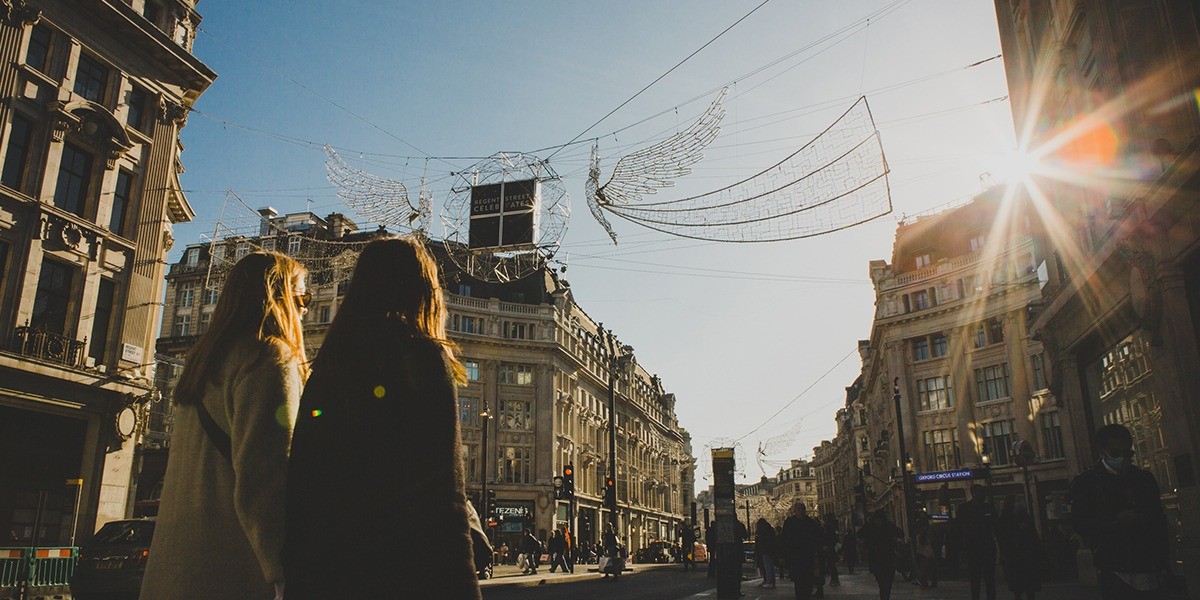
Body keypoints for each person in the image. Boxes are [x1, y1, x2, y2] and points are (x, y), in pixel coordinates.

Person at [282, 237, 480, 599]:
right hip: (401, 571)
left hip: (328, 571)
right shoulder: (422, 356)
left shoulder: (328, 364)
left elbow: (302, 478)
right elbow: (443, 491)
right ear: (423, 290)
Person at [141, 253, 309, 600]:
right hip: (233, 570)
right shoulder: (268, 357)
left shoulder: (203, 364)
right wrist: (282, 571)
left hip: (177, 570)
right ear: (279, 298)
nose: (305, 309)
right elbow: (266, 476)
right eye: (302, 298)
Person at [1069, 423, 1171, 599]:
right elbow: (1080, 523)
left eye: (1128, 453)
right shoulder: (1087, 484)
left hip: (1151, 565)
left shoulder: (1144, 479)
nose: (1123, 458)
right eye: (1116, 453)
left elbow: (1158, 517)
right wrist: (1115, 520)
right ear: (1102, 451)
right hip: (1116, 566)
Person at [958, 483, 999, 600]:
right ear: (974, 494)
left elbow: (996, 526)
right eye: (981, 493)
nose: (983, 495)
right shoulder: (964, 509)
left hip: (987, 547)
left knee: (989, 578)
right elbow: (960, 529)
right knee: (975, 578)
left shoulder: (988, 507)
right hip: (973, 548)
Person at [780, 502, 823, 600]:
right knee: (799, 581)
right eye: (798, 509)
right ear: (795, 511)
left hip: (808, 555)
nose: (800, 512)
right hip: (796, 555)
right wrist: (783, 555)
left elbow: (818, 538)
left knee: (807, 580)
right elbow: (784, 539)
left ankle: (805, 595)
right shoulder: (791, 523)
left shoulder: (810, 523)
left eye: (802, 509)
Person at [999, 509, 1044, 600]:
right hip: (1028, 559)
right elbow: (1036, 543)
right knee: (1029, 587)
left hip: (1016, 560)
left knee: (1017, 587)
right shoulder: (1029, 528)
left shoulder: (1011, 529)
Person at [859, 509, 903, 600]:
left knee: (887, 581)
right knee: (883, 582)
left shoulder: (873, 526)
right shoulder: (879, 526)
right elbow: (859, 534)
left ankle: (885, 597)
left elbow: (900, 533)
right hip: (880, 558)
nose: (878, 521)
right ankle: (885, 597)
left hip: (884, 558)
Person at [755, 518, 778, 589]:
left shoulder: (761, 531)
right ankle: (771, 581)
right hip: (770, 550)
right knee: (770, 566)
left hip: (765, 550)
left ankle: (769, 581)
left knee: (767, 566)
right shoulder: (770, 529)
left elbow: (761, 541)